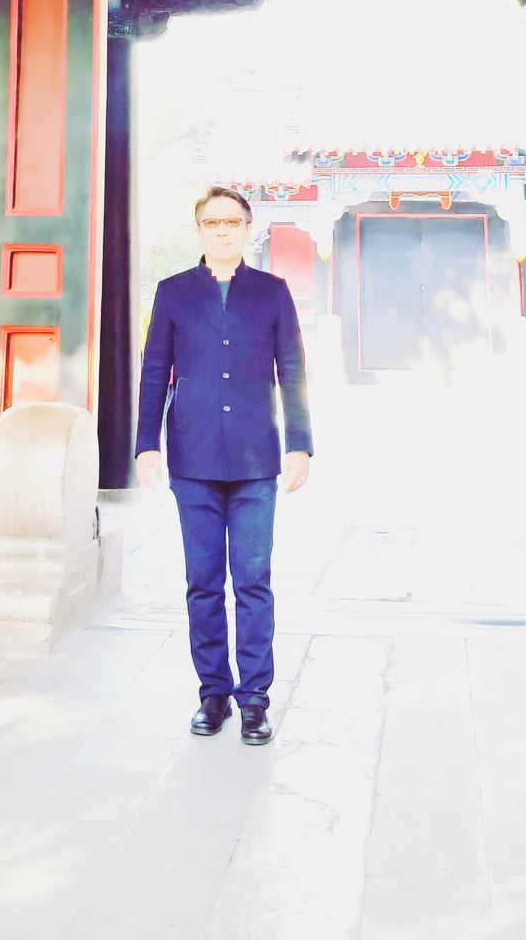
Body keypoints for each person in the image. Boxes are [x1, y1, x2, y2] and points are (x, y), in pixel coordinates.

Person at [135, 185, 313, 745]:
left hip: (257, 456)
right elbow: (153, 372)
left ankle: (254, 699)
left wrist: (300, 444)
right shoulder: (173, 293)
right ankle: (213, 693)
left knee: (254, 581)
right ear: (199, 231)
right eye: (211, 222)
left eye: (231, 221)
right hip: (193, 456)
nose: (221, 230)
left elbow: (293, 371)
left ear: (247, 229)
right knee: (203, 582)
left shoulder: (272, 292)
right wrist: (146, 444)